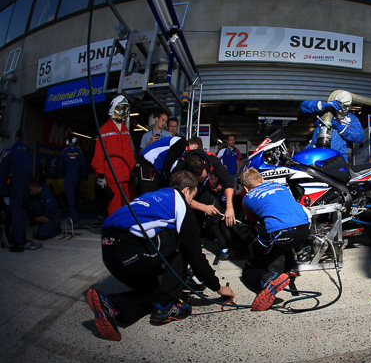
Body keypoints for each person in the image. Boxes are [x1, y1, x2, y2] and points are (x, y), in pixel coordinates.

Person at [86, 170, 235, 341]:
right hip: (128, 246)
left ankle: (111, 304)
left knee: (154, 294)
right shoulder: (179, 204)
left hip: (109, 252)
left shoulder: (153, 196)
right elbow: (195, 254)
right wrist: (217, 286)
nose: (191, 202)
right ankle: (165, 306)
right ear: (186, 191)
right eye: (192, 197)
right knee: (181, 243)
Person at [240, 168, 311, 311]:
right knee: (285, 237)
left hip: (282, 234)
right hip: (305, 229)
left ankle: (268, 280)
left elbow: (257, 225)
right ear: (262, 180)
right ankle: (291, 266)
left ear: (246, 188)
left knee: (250, 267)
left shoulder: (247, 198)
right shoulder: (280, 186)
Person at [91, 95, 136, 217]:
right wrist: (100, 175)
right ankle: (113, 233)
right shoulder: (104, 130)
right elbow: (99, 154)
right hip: (112, 177)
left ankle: (126, 231)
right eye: (121, 108)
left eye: (125, 108)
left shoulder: (125, 130)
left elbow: (128, 151)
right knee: (114, 209)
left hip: (125, 176)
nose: (123, 111)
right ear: (114, 109)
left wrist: (132, 169)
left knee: (128, 207)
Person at [0, 130, 39, 252]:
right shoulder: (27, 151)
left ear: (16, 138)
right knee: (23, 207)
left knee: (15, 208)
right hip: (27, 177)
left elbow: (1, 174)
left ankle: (18, 241)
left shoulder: (8, 152)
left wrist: (5, 193)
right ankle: (22, 236)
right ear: (25, 139)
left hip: (16, 178)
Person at [300, 90, 363, 161]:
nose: (342, 109)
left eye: (345, 107)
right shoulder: (324, 113)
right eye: (340, 105)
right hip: (315, 155)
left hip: (336, 159)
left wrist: (340, 127)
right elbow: (303, 106)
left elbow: (359, 136)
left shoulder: (352, 119)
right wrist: (322, 105)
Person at [57, 136, 86, 224]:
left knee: (70, 199)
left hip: (68, 176)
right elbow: (84, 165)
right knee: (76, 198)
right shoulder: (79, 151)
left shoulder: (64, 151)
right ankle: (77, 216)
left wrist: (64, 174)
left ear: (67, 142)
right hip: (77, 177)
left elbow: (59, 166)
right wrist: (85, 178)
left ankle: (75, 220)